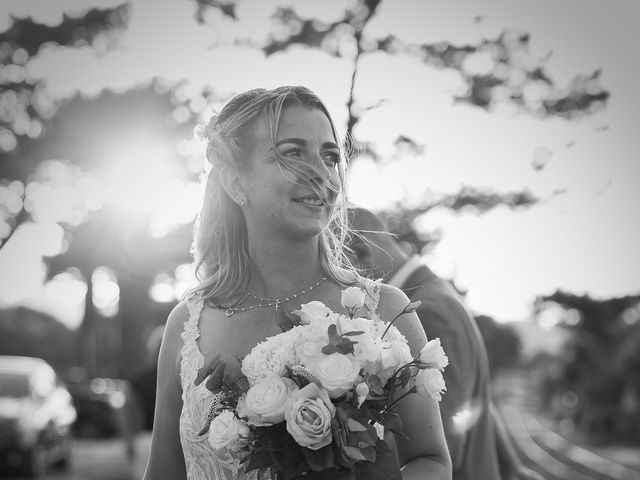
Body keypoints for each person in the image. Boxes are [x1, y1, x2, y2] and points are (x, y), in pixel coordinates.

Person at [142, 86, 451, 480]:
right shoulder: (188, 324)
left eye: (330, 156)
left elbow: (429, 459)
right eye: (292, 152)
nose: (322, 173)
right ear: (236, 183)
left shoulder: (386, 314)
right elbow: (162, 473)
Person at [349, 207, 544, 480]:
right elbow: (474, 404)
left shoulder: (425, 312)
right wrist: (513, 468)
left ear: (361, 257)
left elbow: (445, 436)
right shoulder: (435, 292)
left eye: (340, 266)